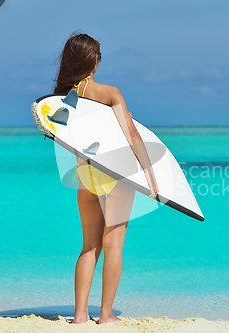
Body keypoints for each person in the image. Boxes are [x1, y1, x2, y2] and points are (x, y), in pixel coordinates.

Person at [53, 32, 159, 324]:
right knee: (113, 245)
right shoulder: (109, 93)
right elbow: (133, 135)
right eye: (98, 56)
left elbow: (63, 138)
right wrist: (151, 173)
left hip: (85, 176)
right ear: (93, 61)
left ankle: (78, 315)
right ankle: (106, 313)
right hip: (117, 175)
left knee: (89, 246)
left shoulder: (64, 100)